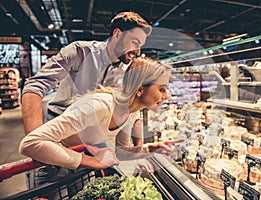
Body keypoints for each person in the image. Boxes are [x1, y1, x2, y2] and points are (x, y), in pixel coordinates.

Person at [21, 11, 152, 189]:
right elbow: (35, 86)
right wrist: (36, 138)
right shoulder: (80, 51)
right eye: (135, 43)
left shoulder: (125, 70)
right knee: (49, 190)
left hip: (91, 148)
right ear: (117, 34)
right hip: (59, 137)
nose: (137, 52)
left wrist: (138, 149)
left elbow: (131, 108)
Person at [19, 57, 182, 170]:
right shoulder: (99, 106)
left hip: (72, 169)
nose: (166, 96)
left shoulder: (130, 113)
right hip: (50, 170)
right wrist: (93, 162)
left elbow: (119, 153)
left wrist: (149, 149)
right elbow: (30, 144)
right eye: (161, 89)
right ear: (140, 89)